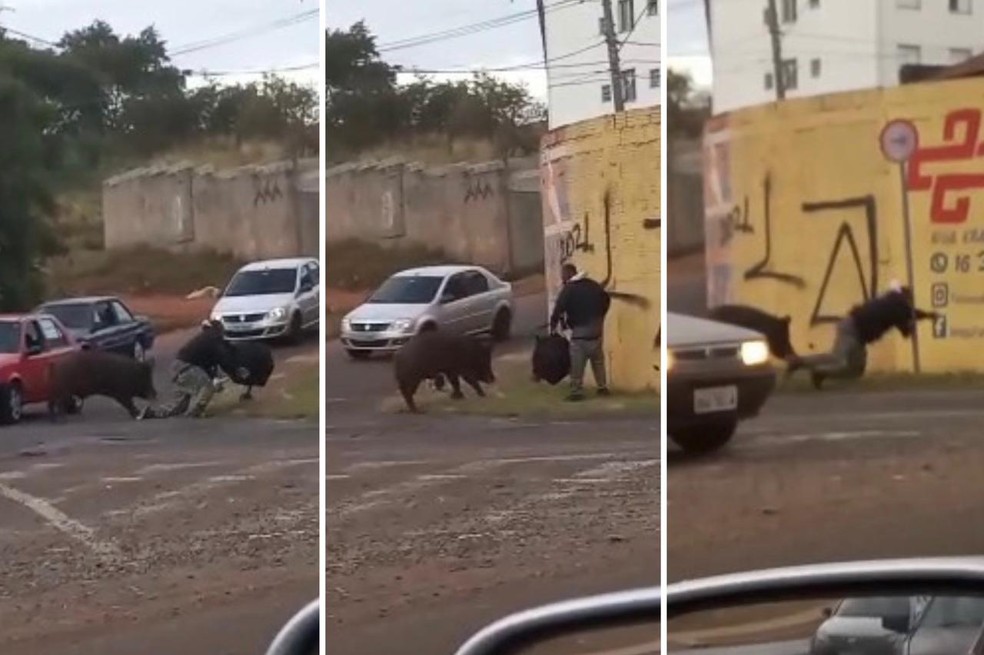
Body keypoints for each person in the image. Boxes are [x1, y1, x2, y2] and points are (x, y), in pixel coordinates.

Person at [788, 282, 940, 389]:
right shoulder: (899, 308)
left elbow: (911, 314)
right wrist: (914, 324)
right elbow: (906, 329)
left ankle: (811, 368)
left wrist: (926, 316)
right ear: (907, 298)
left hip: (855, 332)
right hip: (853, 330)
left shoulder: (891, 302)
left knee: (855, 368)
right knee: (839, 361)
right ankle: (814, 369)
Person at [139, 319, 240, 419]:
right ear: (220, 329)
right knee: (207, 387)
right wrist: (235, 372)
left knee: (179, 407)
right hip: (187, 368)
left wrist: (214, 376)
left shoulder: (206, 338)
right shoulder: (213, 339)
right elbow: (224, 361)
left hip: (178, 367)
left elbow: (208, 363)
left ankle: (151, 413)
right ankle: (196, 411)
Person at [549, 263, 611, 401]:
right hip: (596, 330)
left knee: (577, 363)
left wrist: (553, 326)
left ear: (569, 274)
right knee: (598, 361)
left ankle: (576, 391)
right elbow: (606, 299)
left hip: (579, 334)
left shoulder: (569, 289)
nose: (562, 278)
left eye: (563, 275)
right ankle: (602, 387)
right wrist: (600, 317)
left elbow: (558, 308)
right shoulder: (593, 285)